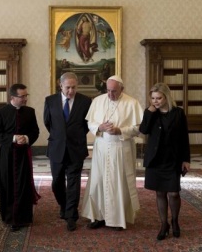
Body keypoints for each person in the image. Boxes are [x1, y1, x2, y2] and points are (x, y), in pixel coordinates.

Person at [81, 75, 144, 231]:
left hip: (121, 148)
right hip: (101, 148)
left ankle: (118, 219)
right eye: (108, 90)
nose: (110, 94)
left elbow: (138, 127)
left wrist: (120, 130)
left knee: (119, 183)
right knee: (98, 182)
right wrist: (99, 128)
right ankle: (97, 217)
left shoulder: (132, 103)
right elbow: (90, 122)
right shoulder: (98, 101)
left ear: (122, 89)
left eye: (114, 91)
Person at [139, 82, 191, 240]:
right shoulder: (150, 113)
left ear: (166, 96)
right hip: (156, 159)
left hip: (172, 158)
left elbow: (184, 137)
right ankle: (164, 224)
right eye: (153, 98)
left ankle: (175, 221)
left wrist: (186, 159)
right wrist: (149, 112)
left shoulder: (178, 113)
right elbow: (143, 130)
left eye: (159, 98)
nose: (155, 101)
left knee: (174, 193)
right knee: (160, 192)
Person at [43, 72, 92, 231]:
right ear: (61, 85)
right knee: (57, 181)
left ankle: (71, 216)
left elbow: (86, 126)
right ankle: (63, 206)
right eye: (68, 87)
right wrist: (60, 136)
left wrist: (74, 136)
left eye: (74, 87)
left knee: (73, 182)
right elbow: (47, 122)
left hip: (76, 148)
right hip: (56, 148)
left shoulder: (85, 101)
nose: (71, 91)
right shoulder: (50, 101)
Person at [0, 83, 40, 232]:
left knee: (23, 185)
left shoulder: (30, 112)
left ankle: (24, 217)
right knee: (8, 185)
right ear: (13, 97)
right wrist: (13, 139)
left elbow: (35, 131)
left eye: (26, 95)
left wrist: (26, 137)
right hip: (6, 155)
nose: (25, 99)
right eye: (22, 96)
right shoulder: (0, 112)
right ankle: (10, 218)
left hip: (23, 155)